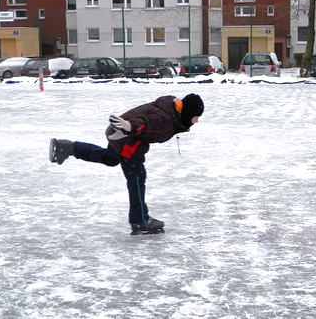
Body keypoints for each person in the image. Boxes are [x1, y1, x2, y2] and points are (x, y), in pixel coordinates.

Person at [49, 93, 204, 235]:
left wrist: (128, 127)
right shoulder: (164, 119)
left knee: (111, 159)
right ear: (187, 112)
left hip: (120, 134)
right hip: (126, 138)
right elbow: (146, 123)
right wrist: (130, 127)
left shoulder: (171, 111)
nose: (196, 121)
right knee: (137, 177)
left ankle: (67, 147)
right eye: (195, 117)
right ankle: (139, 221)